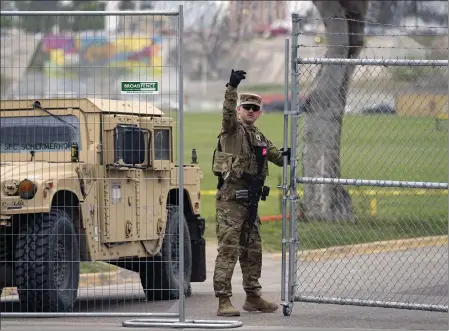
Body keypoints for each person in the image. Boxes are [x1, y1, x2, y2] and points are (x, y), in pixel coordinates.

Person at [212, 69, 291, 317]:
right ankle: (223, 299)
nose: (250, 111)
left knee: (252, 250)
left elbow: (278, 157)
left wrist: (289, 154)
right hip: (231, 202)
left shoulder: (259, 136)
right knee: (229, 250)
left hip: (251, 203)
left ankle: (253, 297)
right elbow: (226, 112)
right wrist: (231, 87)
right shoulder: (231, 131)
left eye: (254, 108)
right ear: (239, 109)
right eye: (246, 107)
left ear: (260, 112)